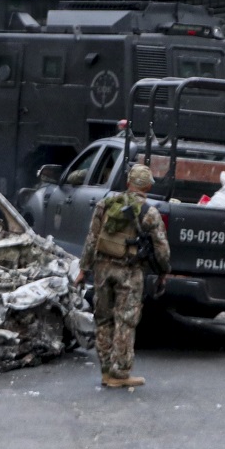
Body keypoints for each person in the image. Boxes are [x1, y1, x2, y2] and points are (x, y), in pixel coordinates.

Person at [75, 164, 170, 388]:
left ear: (128, 183)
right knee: (125, 321)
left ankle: (106, 370)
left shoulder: (105, 204)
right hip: (129, 272)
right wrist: (163, 272)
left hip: (102, 269)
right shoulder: (149, 213)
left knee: (104, 318)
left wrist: (83, 270)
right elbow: (162, 249)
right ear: (147, 186)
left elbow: (91, 239)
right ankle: (120, 373)